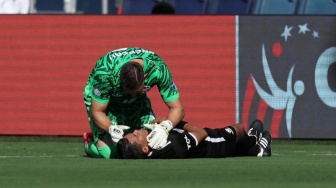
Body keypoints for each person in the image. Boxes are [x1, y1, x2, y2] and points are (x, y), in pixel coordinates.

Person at [83, 47, 185, 159]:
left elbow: (177, 108)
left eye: (137, 90)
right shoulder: (104, 75)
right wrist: (110, 128)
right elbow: (97, 111)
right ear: (119, 78)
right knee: (109, 153)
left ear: (145, 77)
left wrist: (165, 127)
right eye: (128, 90)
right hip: (107, 101)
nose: (132, 95)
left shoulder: (158, 69)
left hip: (139, 101)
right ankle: (90, 143)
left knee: (152, 146)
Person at [117, 119, 272, 159]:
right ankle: (255, 144)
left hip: (202, 146)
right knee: (238, 128)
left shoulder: (150, 148)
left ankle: (256, 150)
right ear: (145, 149)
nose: (137, 131)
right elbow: (201, 133)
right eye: (136, 135)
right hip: (213, 144)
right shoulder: (174, 146)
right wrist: (172, 123)